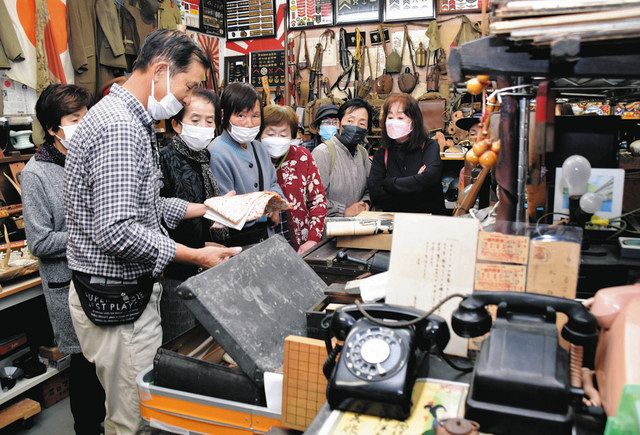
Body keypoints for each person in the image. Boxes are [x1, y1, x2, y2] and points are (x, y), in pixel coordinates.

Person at [64, 29, 241, 435]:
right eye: (189, 85)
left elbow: (143, 205)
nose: (186, 97)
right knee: (136, 420)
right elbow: (119, 230)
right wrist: (194, 255)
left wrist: (208, 206)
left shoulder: (131, 120)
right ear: (161, 70)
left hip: (122, 293)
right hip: (115, 300)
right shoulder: (120, 128)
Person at [23, 84, 106, 435]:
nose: (84, 125)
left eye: (87, 116)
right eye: (75, 119)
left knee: (106, 362)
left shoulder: (90, 157)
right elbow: (39, 240)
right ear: (54, 128)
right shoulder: (35, 174)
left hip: (101, 277)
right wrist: (93, 232)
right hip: (67, 283)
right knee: (85, 367)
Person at [159, 87, 227, 342]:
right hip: (175, 269)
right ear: (177, 125)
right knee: (181, 341)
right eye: (195, 120)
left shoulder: (204, 157)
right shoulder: (164, 158)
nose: (204, 127)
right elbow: (159, 209)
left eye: (209, 122)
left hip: (206, 263)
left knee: (206, 338)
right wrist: (209, 208)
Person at [208, 82, 284, 246]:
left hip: (266, 236)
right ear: (225, 115)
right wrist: (264, 209)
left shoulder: (259, 147)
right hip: (237, 243)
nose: (249, 123)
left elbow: (273, 183)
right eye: (241, 116)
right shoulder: (217, 152)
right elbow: (226, 205)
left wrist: (276, 206)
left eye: (255, 116)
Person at [261, 105, 327, 254]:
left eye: (283, 135)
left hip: (299, 243)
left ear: (291, 135)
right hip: (263, 242)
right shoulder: (254, 158)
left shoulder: (302, 156)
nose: (276, 139)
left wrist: (313, 239)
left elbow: (317, 200)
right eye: (270, 134)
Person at [368, 93, 445, 214]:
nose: (394, 122)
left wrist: (389, 183)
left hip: (428, 222)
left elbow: (430, 179)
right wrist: (417, 184)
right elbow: (376, 196)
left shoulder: (430, 146)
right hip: (394, 223)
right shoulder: (382, 154)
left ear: (414, 121)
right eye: (390, 117)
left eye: (400, 118)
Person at [312, 98, 372, 217]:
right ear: (339, 124)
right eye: (350, 121)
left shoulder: (363, 153)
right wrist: (343, 210)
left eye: (361, 123)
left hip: (357, 229)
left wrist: (365, 203)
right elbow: (313, 198)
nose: (355, 127)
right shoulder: (323, 153)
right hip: (329, 230)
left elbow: (370, 188)